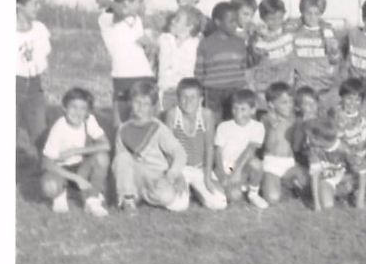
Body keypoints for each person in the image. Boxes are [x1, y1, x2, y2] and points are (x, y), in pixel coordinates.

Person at [111, 81, 190, 212]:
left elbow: (180, 153)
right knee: (122, 158)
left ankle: (142, 196)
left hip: (158, 176)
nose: (141, 107)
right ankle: (129, 199)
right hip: (138, 175)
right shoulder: (123, 129)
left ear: (152, 107)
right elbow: (119, 163)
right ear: (130, 102)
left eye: (146, 104)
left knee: (169, 199)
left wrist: (172, 175)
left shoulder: (158, 128)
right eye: (137, 102)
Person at [39, 87, 110, 217]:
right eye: (73, 107)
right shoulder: (59, 127)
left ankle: (92, 200)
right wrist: (76, 179)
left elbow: (106, 145)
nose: (78, 112)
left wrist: (76, 151)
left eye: (83, 108)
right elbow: (47, 163)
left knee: (102, 157)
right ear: (65, 108)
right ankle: (61, 193)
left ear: (88, 112)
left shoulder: (89, 120)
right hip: (59, 169)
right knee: (50, 186)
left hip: (80, 166)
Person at [163, 77, 228, 211]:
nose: (188, 101)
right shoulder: (172, 114)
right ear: (178, 99)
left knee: (220, 203)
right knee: (178, 206)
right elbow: (167, 148)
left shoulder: (206, 115)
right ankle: (187, 189)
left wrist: (208, 177)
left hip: (200, 167)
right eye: (184, 97)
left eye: (193, 97)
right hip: (180, 167)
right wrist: (177, 174)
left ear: (201, 99)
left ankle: (196, 191)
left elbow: (210, 147)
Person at [96, 0, 156, 118]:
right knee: (122, 115)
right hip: (123, 75)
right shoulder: (106, 18)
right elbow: (121, 12)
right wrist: (109, 3)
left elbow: (140, 43)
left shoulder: (137, 20)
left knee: (146, 115)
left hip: (144, 73)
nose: (143, 5)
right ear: (126, 2)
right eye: (139, 2)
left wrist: (148, 46)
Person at [212, 89, 269, 208]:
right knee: (235, 197)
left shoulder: (258, 127)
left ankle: (253, 194)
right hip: (227, 165)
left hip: (243, 164)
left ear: (253, 110)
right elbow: (218, 152)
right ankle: (240, 186)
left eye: (243, 109)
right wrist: (223, 174)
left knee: (256, 164)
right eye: (235, 108)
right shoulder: (223, 126)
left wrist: (236, 171)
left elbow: (250, 150)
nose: (238, 113)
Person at [16, 0, 51, 160]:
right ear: (18, 5)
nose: (39, 7)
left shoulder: (39, 29)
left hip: (34, 86)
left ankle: (45, 174)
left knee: (40, 132)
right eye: (34, 3)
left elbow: (43, 61)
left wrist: (44, 83)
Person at [291, 0, 342, 113]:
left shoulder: (328, 31)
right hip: (303, 86)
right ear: (302, 12)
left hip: (324, 86)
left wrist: (334, 51)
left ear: (321, 14)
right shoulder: (295, 32)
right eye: (309, 13)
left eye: (316, 13)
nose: (312, 17)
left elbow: (336, 61)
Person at [259, 84, 304, 205]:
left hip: (289, 163)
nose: (289, 105)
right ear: (271, 104)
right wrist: (271, 115)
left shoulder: (295, 119)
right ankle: (274, 183)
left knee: (309, 187)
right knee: (272, 199)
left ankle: (285, 184)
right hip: (272, 163)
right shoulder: (266, 118)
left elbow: (297, 145)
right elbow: (269, 125)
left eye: (291, 102)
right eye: (284, 102)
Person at [305, 118, 364, 211]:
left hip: (345, 176)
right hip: (327, 179)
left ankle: (351, 192)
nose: (307, 141)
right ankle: (339, 193)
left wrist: (361, 199)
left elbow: (362, 171)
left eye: (310, 138)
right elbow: (315, 176)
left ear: (319, 139)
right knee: (327, 205)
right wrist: (317, 204)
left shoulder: (344, 148)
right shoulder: (314, 150)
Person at [248, 0, 296, 97]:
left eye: (279, 18)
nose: (276, 22)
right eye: (271, 19)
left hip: (286, 83)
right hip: (266, 84)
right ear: (263, 18)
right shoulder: (258, 38)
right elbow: (257, 54)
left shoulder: (289, 32)